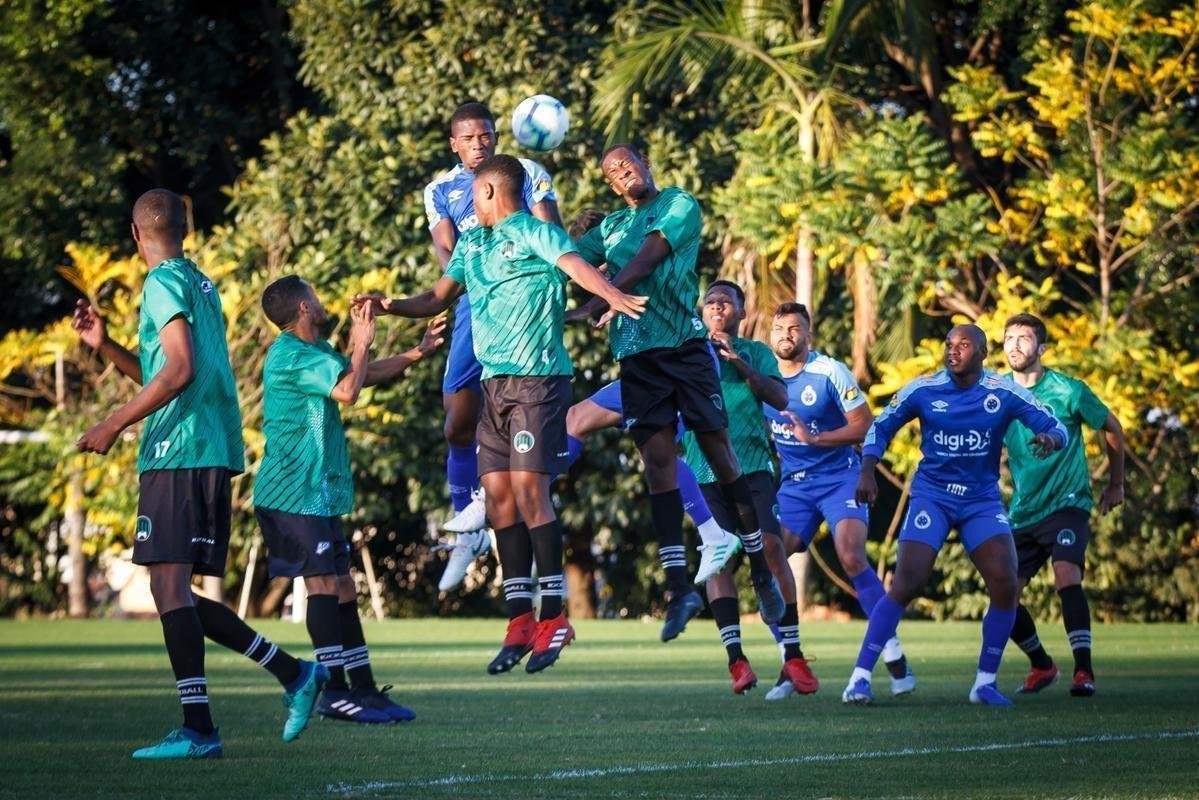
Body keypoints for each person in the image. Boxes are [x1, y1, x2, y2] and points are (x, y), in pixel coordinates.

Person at [355, 154, 645, 673]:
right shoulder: (472, 244)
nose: (467, 203)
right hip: (493, 386)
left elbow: (575, 266)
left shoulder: (536, 232)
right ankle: (520, 622)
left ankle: (554, 617)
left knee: (531, 491)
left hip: (538, 381)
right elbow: (438, 296)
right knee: (498, 498)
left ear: (489, 192)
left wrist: (611, 294)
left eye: (472, 196)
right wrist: (390, 304)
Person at [73, 189, 325, 759]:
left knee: (168, 589)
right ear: (184, 230)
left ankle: (201, 729)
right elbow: (163, 368)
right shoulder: (197, 281)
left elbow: (179, 369)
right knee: (172, 591)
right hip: (205, 444)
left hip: (178, 447)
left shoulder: (162, 282)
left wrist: (112, 424)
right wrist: (105, 343)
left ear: (136, 235)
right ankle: (291, 675)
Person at [571, 144, 785, 639]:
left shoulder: (678, 204)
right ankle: (677, 588)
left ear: (645, 162)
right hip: (637, 360)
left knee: (719, 453)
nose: (623, 174)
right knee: (658, 466)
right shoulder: (608, 230)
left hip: (684, 351)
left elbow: (648, 258)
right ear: (610, 186)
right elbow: (564, 260)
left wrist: (606, 294)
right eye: (612, 173)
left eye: (628, 164)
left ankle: (755, 562)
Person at [842, 324, 1067, 707]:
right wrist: (867, 469)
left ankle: (984, 684)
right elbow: (881, 426)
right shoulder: (924, 390)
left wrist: (1051, 438)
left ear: (982, 353)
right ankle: (859, 678)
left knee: (1005, 583)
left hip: (980, 500)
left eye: (963, 345)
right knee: (907, 582)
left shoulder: (1003, 392)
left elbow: (1054, 425)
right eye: (949, 344)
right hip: (933, 497)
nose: (953, 350)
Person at [255, 275, 445, 724]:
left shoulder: (316, 352)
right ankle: (333, 692)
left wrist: (418, 352)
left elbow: (362, 374)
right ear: (303, 308)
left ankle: (363, 689)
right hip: (290, 493)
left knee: (342, 587)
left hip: (314, 495)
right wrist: (362, 340)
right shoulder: (288, 355)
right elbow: (348, 390)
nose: (323, 302)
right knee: (322, 587)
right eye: (316, 296)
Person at [423, 101, 562, 592]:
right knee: (457, 422)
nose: (480, 143)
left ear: (496, 137)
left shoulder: (528, 172)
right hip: (472, 297)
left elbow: (548, 231)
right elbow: (447, 254)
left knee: (530, 405)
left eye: (487, 135)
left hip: (521, 297)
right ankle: (469, 523)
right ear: (455, 144)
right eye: (470, 137)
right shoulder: (439, 190)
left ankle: (514, 490)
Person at [561, 210, 741, 587]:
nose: (594, 275)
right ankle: (713, 535)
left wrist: (601, 301)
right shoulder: (617, 269)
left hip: (675, 362)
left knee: (658, 453)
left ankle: (718, 535)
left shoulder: (635, 259)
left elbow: (642, 283)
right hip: (651, 367)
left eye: (596, 264)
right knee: (581, 422)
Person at [762, 302, 915, 701]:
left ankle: (894, 655)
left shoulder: (829, 371)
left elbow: (864, 426)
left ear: (808, 335)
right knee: (767, 564)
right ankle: (789, 660)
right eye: (779, 328)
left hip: (840, 478)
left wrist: (818, 441)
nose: (786, 336)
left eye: (795, 329)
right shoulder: (760, 376)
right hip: (794, 486)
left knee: (850, 557)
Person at [678, 281, 802, 695]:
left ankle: (793, 652)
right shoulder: (687, 348)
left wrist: (741, 365)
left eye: (725, 302)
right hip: (704, 470)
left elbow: (780, 399)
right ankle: (736, 660)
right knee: (720, 560)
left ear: (741, 313)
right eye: (710, 302)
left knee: (770, 545)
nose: (716, 308)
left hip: (752, 466)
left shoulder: (757, 352)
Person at [1002, 313, 1125, 697]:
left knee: (1066, 574)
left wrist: (1116, 483)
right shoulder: (996, 393)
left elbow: (1113, 428)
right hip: (1022, 511)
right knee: (1003, 596)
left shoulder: (1069, 391)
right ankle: (1042, 665)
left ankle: (1083, 673)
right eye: (1008, 338)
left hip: (1067, 504)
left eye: (1024, 338)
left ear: (1042, 348)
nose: (1014, 345)